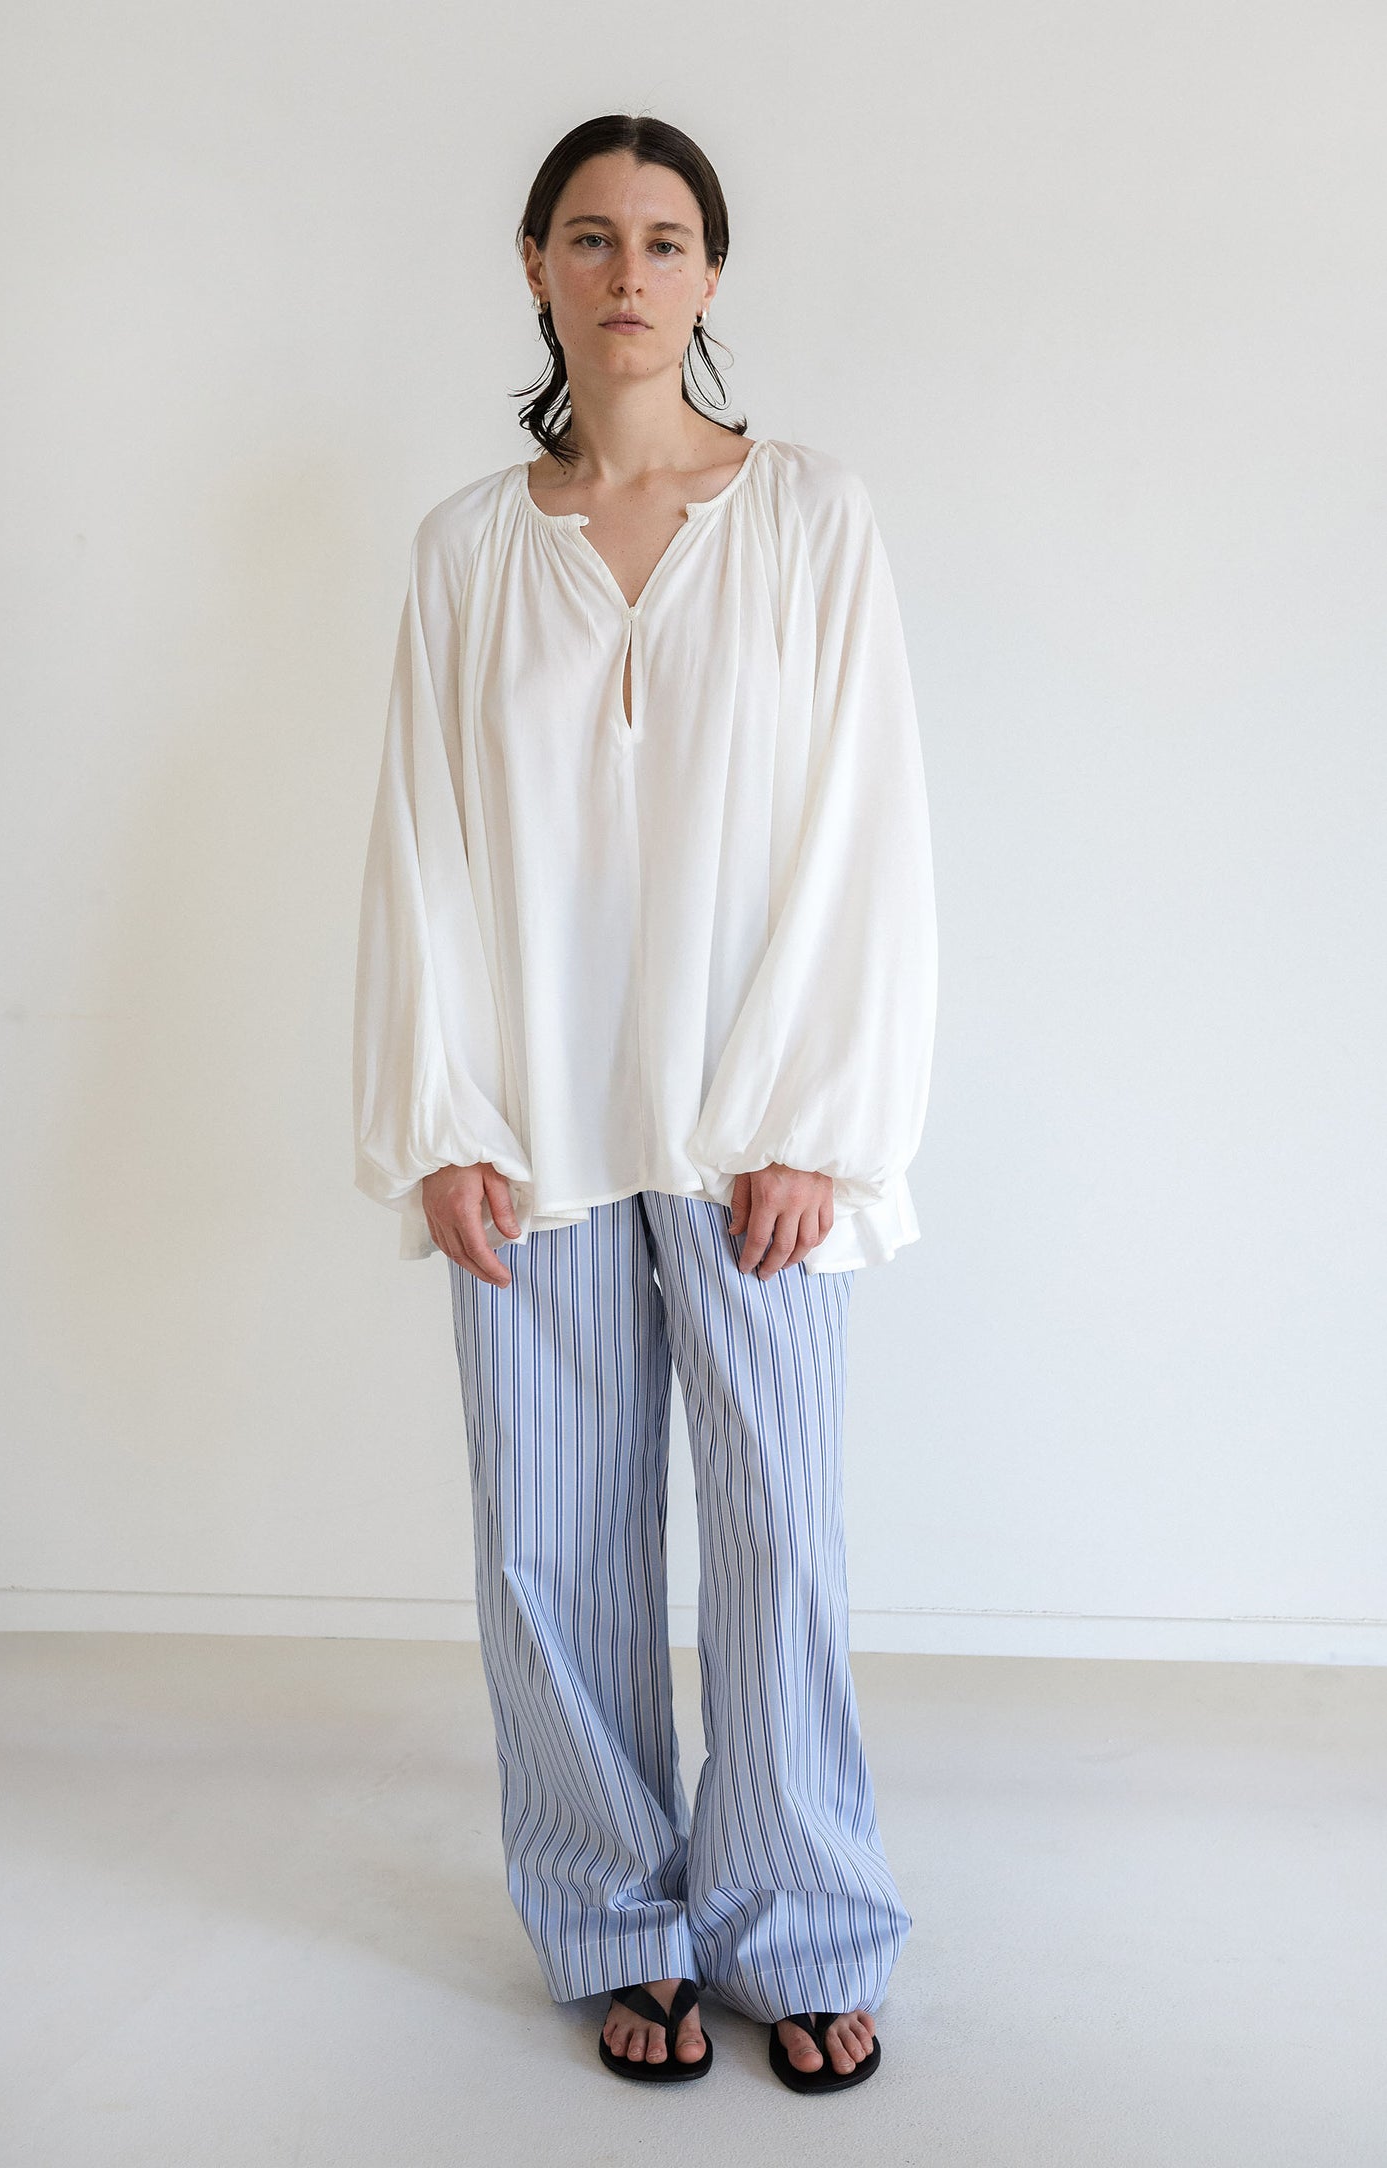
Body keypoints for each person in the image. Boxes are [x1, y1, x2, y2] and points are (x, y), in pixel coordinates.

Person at [352, 112, 937, 2094]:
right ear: (534, 265)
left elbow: (866, 826)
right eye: (590, 237)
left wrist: (818, 1116)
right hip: (534, 1130)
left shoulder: (810, 520)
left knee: (780, 1539)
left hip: (753, 1124)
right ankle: (618, 1918)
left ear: (710, 274)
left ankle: (803, 1923)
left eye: (665, 238)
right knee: (550, 1548)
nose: (628, 273)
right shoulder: (465, 550)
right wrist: (440, 1112)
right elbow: (421, 845)